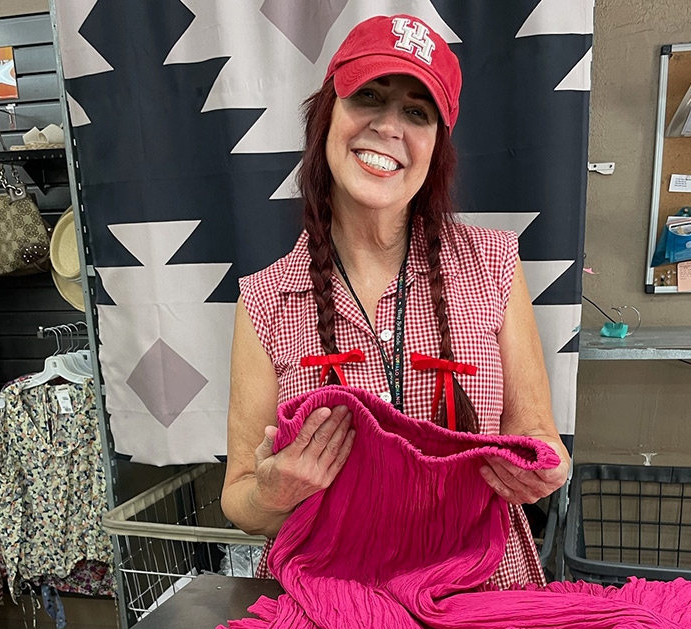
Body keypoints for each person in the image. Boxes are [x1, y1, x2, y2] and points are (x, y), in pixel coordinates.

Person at [222, 13, 570, 586]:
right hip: (331, 599)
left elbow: (543, 443)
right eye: (368, 97)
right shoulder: (265, 299)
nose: (388, 128)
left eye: (416, 112)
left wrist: (546, 470)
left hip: (481, 591)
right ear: (326, 117)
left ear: (436, 146)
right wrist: (272, 491)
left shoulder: (495, 266)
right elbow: (239, 501)